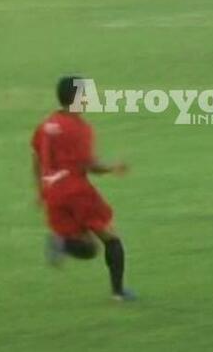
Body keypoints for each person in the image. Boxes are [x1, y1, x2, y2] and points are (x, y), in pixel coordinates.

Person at [32, 76, 134, 301]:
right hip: (76, 191)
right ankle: (118, 293)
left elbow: (37, 158)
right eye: (85, 94)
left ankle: (62, 243)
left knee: (89, 247)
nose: (88, 98)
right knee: (112, 238)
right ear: (76, 97)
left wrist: (40, 191)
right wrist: (113, 167)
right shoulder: (80, 128)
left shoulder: (46, 125)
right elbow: (90, 166)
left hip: (53, 194)